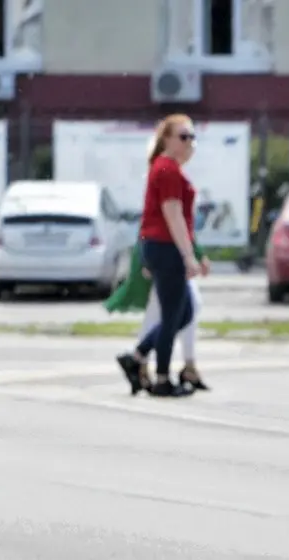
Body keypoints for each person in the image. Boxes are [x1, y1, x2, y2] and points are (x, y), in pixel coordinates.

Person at [115, 114, 207, 398]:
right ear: (166, 139)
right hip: (166, 247)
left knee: (185, 312)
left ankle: (138, 357)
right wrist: (188, 256)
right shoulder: (166, 169)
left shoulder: (167, 168)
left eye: (192, 136)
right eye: (183, 136)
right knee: (172, 315)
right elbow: (172, 215)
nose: (189, 142)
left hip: (160, 246)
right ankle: (163, 379)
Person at [104, 224, 211, 393]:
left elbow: (180, 220)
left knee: (173, 311)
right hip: (164, 249)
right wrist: (193, 255)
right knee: (175, 312)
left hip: (165, 247)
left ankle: (141, 363)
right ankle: (149, 368)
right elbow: (168, 216)